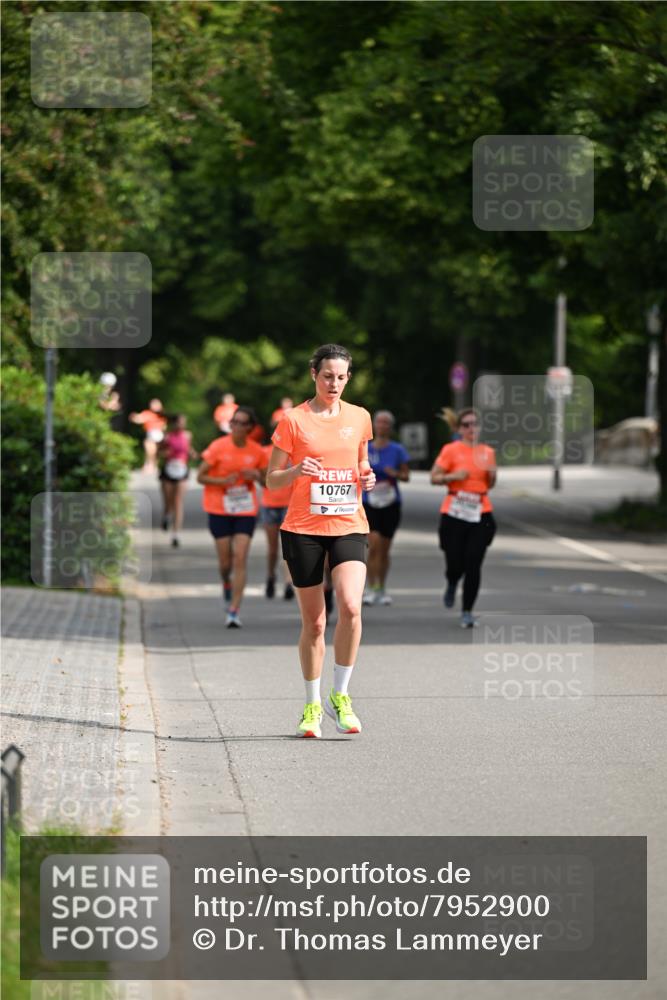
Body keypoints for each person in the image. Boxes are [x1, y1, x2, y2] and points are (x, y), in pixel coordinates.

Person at [267, 344, 376, 738]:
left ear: (349, 378)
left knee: (350, 606)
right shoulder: (293, 420)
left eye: (341, 377)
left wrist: (367, 476)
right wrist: (297, 469)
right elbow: (271, 479)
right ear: (314, 373)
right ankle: (311, 705)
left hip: (349, 523)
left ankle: (341, 696)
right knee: (314, 623)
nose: (334, 383)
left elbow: (361, 461)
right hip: (303, 528)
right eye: (327, 375)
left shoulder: (360, 417)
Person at [197, 406, 268, 628]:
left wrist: (257, 475)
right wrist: (222, 481)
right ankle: (226, 583)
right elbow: (200, 476)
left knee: (240, 557)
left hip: (245, 509)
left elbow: (266, 482)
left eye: (241, 422)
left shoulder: (257, 451)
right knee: (225, 562)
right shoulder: (218, 447)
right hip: (219, 508)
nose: (236, 426)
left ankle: (234, 610)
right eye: (233, 422)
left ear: (249, 427)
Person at [430, 407, 497, 628]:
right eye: (466, 424)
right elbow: (434, 477)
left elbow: (490, 483)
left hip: (480, 511)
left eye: (475, 424)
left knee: (474, 563)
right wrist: (453, 476)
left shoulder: (487, 452)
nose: (471, 428)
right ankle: (451, 581)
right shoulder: (451, 450)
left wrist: (493, 472)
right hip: (454, 512)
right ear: (459, 428)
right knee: (455, 561)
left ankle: (467, 611)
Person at [362, 410, 410, 606]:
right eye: (379, 422)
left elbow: (407, 476)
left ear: (390, 427)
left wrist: (395, 473)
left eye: (385, 423)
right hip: (369, 502)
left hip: (390, 503)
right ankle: (371, 588)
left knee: (384, 550)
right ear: (374, 425)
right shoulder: (365, 449)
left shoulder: (397, 450)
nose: (382, 426)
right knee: (373, 546)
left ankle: (382, 588)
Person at [260, 438, 295, 600]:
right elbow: (262, 479)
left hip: (290, 504)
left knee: (287, 546)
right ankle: (270, 576)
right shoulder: (265, 451)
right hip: (270, 504)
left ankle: (288, 582)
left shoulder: (298, 450)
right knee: (272, 548)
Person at [158, 414, 198, 548]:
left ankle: (176, 534)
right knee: (168, 501)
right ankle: (166, 516)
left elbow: (189, 449)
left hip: (182, 469)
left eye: (184, 422)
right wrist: (165, 453)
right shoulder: (167, 436)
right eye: (180, 423)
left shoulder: (188, 435)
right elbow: (159, 453)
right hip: (169, 469)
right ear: (174, 424)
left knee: (178, 502)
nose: (182, 425)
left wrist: (193, 454)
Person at [129, 399, 167, 473]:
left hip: (158, 434)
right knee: (150, 450)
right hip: (151, 433)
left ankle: (152, 465)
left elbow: (164, 426)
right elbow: (139, 418)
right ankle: (149, 465)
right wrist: (134, 417)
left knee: (154, 451)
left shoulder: (162, 415)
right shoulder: (148, 413)